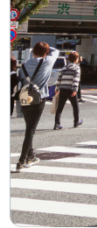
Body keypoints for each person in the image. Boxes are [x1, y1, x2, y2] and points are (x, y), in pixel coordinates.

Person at [16, 42, 60, 171]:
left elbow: (21, 82)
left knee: (29, 127)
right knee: (30, 130)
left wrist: (37, 49)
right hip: (38, 99)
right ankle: (22, 161)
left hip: (24, 99)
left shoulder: (24, 65)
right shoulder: (48, 61)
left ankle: (31, 156)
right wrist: (46, 49)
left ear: (33, 51)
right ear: (46, 52)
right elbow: (55, 50)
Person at [54, 51, 83, 129]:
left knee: (60, 107)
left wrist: (57, 88)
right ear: (76, 59)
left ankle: (57, 123)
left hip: (62, 89)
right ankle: (76, 122)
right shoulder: (76, 68)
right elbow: (76, 79)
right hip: (70, 90)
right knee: (75, 106)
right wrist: (74, 90)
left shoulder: (64, 67)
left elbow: (59, 78)